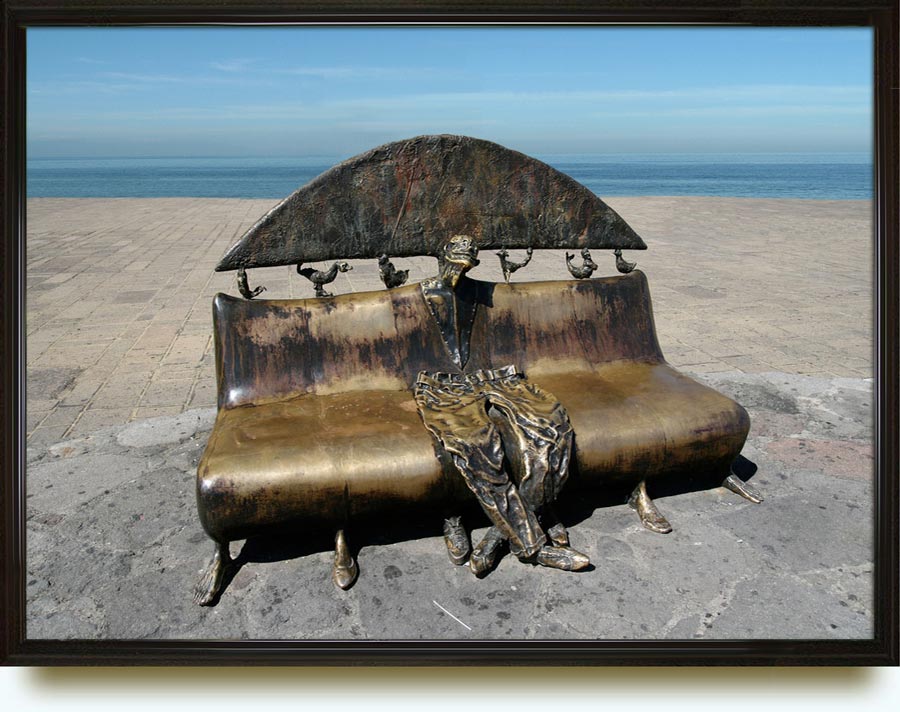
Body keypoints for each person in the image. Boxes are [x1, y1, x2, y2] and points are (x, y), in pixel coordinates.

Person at [414, 235, 590, 575]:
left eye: (466, 265)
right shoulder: (417, 296)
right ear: (442, 258)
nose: (459, 272)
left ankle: (497, 536)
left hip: (498, 376)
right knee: (476, 447)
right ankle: (533, 546)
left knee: (550, 431)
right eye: (454, 263)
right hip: (442, 386)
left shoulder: (482, 293)